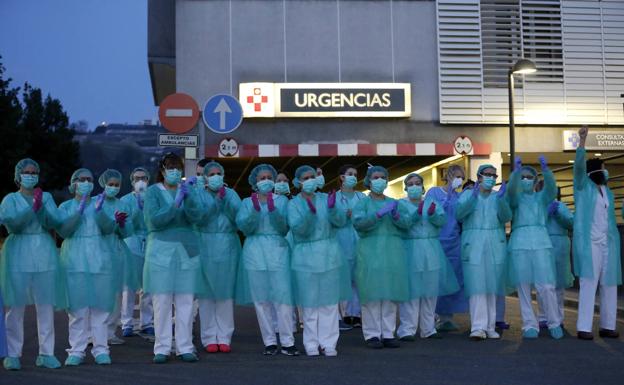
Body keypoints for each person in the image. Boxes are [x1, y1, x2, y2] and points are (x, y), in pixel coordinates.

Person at [1, 159, 65, 370]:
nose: (30, 175)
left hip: (44, 254)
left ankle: (46, 353)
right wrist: (32, 209)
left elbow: (54, 221)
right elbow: (14, 225)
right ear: (18, 175)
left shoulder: (45, 197)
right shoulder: (10, 199)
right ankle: (12, 353)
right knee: (15, 307)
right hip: (18, 254)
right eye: (26, 172)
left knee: (45, 306)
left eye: (34, 172)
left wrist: (42, 209)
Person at [143, 153, 204, 363]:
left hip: (186, 251)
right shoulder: (152, 193)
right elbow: (155, 221)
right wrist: (175, 204)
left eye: (178, 168)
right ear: (162, 171)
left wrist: (188, 199)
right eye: (170, 168)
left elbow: (197, 217)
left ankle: (185, 346)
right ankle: (162, 347)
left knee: (186, 301)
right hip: (160, 252)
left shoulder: (187, 191)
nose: (175, 172)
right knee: (162, 301)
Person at [235, 164, 299, 356]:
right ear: (255, 182)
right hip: (254, 253)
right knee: (261, 300)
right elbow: (245, 228)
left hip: (278, 251)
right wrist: (255, 211)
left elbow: (284, 228)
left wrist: (273, 210)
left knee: (283, 298)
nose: (266, 181)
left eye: (268, 177)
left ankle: (288, 341)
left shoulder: (282, 202)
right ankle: (269, 342)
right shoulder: (247, 202)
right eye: (261, 178)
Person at [58, 168, 120, 366]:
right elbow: (64, 230)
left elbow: (109, 228)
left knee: (100, 309)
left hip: (99, 262)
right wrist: (79, 209)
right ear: (73, 183)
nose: (86, 183)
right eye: (82, 179)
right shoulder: (66, 206)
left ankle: (101, 349)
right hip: (74, 262)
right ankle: (76, 350)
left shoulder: (99, 204)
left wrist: (101, 212)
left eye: (89, 179)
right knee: (77, 310)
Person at [288, 165, 348, 356]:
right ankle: (311, 343)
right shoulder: (294, 204)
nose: (310, 180)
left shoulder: (326, 199)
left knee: (329, 302)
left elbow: (340, 222)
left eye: (312, 176)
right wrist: (309, 215)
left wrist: (332, 210)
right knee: (310, 301)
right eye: (305, 178)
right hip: (305, 257)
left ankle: (329, 342)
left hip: (329, 254)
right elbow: (299, 230)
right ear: (298, 182)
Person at [352, 165, 411, 349]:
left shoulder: (396, 203)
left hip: (392, 253)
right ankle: (371, 335)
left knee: (390, 293)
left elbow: (407, 223)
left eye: (383, 177)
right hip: (370, 252)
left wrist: (395, 215)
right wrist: (377, 214)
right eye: (375, 177)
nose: (379, 180)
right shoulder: (362, 203)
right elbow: (359, 223)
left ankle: (388, 333)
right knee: (371, 294)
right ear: (368, 181)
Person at [507, 156, 563, 339]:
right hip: (520, 243)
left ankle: (554, 322)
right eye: (522, 177)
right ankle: (529, 325)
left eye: (529, 177)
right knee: (523, 286)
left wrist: (546, 171)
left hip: (540, 243)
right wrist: (515, 173)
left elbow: (552, 190)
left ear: (535, 181)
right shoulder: (515, 199)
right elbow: (511, 193)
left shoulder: (541, 198)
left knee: (546, 286)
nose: (525, 180)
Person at [574, 126, 621, 340]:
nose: (606, 171)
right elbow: (578, 168)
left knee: (609, 283)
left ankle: (607, 326)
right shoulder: (583, 187)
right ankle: (584, 327)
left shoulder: (607, 192)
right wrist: (582, 141)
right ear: (594, 172)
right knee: (589, 282)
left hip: (607, 243)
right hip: (589, 243)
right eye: (603, 168)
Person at [398, 173, 459, 341]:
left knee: (430, 290)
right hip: (411, 248)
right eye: (410, 184)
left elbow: (442, 221)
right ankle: (407, 329)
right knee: (411, 291)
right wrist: (415, 215)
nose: (415, 186)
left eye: (418, 183)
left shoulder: (432, 202)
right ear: (406, 187)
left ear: (423, 186)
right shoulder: (401, 204)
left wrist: (433, 215)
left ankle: (428, 328)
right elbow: (402, 224)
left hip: (431, 248)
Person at [456, 164, 511, 340]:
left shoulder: (498, 197)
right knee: (477, 286)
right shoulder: (467, 194)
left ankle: (490, 326)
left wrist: (503, 200)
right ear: (479, 177)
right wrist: (472, 197)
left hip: (495, 244)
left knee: (492, 286)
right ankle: (477, 327)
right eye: (487, 175)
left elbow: (506, 217)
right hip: (474, 245)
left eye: (493, 176)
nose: (490, 178)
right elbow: (459, 214)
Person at [196, 161, 239, 354]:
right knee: (206, 295)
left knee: (224, 294)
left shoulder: (231, 194)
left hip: (227, 246)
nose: (215, 177)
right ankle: (208, 337)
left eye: (218, 173)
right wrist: (215, 204)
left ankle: (224, 336)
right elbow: (197, 218)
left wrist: (226, 202)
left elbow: (240, 218)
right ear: (205, 177)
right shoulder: (199, 194)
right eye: (211, 173)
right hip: (205, 245)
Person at [426, 164, 469, 331]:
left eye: (462, 177)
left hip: (453, 242)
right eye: (457, 176)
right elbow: (431, 214)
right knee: (436, 281)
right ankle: (432, 316)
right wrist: (446, 198)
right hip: (437, 240)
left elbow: (460, 217)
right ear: (449, 175)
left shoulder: (459, 197)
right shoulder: (434, 192)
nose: (459, 180)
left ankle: (447, 317)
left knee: (453, 280)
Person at [119, 167, 154, 339]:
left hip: (149, 242)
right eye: (137, 178)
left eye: (144, 178)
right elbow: (124, 223)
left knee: (147, 286)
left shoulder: (154, 198)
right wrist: (136, 209)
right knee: (129, 286)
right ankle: (127, 323)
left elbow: (155, 220)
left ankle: (146, 322)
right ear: (132, 181)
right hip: (131, 243)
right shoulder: (125, 200)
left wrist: (145, 207)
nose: (141, 181)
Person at [535, 183, 574, 329]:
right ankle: (543, 316)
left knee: (558, 284)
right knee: (542, 284)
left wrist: (558, 214)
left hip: (560, 246)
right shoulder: (536, 207)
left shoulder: (560, 206)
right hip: (542, 244)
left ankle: (558, 317)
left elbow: (571, 222)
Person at [335, 165, 365, 329]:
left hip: (359, 239)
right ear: (341, 177)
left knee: (358, 279)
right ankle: (343, 314)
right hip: (341, 240)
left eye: (355, 174)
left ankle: (357, 314)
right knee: (343, 278)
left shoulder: (361, 197)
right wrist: (344, 216)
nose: (353, 177)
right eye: (349, 174)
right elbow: (331, 218)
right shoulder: (333, 197)